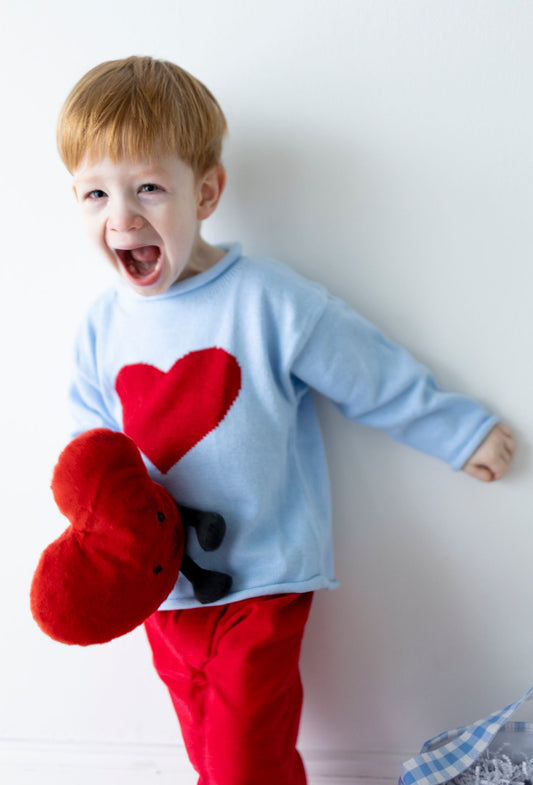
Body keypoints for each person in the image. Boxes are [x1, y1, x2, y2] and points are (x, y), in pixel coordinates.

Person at [56, 55, 515, 785]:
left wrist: (454, 430)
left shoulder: (266, 301)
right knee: (211, 755)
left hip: (262, 577)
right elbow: (89, 460)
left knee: (244, 761)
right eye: (94, 194)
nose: (121, 216)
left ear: (205, 191)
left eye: (148, 187)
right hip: (160, 590)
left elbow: (365, 370)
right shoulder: (100, 329)